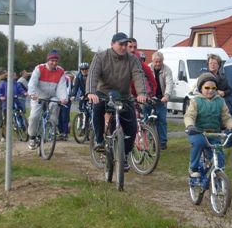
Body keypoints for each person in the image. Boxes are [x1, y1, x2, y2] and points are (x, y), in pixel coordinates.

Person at [87, 32, 148, 169]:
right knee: (97, 109)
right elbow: (93, 73)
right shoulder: (100, 57)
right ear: (112, 44)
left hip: (124, 96)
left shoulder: (132, 59)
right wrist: (91, 92)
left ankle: (123, 156)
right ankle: (99, 140)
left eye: (126, 44)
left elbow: (139, 75)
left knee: (132, 128)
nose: (124, 47)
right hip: (103, 93)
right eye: (121, 44)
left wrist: (142, 93)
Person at [184, 73, 232, 177]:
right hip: (198, 132)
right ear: (201, 88)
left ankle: (219, 176)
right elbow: (189, 115)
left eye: (213, 88)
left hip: (214, 134)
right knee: (199, 143)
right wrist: (190, 126)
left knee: (219, 153)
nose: (210, 90)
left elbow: (226, 117)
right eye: (207, 88)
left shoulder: (220, 101)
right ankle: (193, 167)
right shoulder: (196, 100)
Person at [27, 50, 69, 149]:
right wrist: (32, 93)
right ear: (48, 60)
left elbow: (62, 86)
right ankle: (32, 137)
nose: (54, 63)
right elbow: (32, 82)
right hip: (38, 96)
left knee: (54, 106)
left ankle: (51, 128)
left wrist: (63, 98)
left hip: (52, 96)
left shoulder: (60, 71)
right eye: (52, 60)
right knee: (34, 116)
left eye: (56, 61)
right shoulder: (39, 68)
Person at [148, 51, 174, 150]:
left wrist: (166, 95)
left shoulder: (167, 70)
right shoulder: (148, 69)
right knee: (147, 119)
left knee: (162, 120)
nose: (158, 63)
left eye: (160, 61)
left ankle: (162, 141)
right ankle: (150, 140)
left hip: (161, 98)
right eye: (156, 61)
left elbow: (169, 83)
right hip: (149, 98)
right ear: (153, 61)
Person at [57, 72, 74, 140]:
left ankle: (65, 133)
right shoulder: (57, 78)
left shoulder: (66, 78)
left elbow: (67, 89)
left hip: (65, 100)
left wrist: (64, 98)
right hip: (58, 100)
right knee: (59, 116)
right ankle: (61, 133)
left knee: (64, 117)